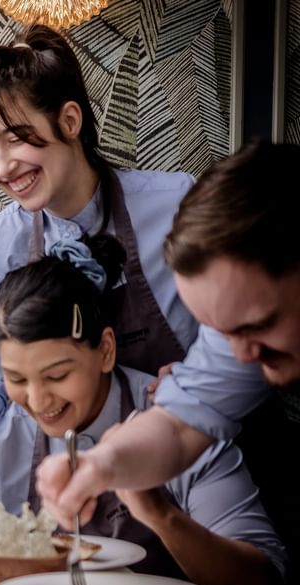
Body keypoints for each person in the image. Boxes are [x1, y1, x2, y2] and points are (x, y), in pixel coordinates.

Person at [0, 24, 201, 512]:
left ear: (70, 120)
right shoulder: (9, 235)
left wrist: (199, 375)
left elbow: (246, 332)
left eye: (16, 139)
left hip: (187, 464)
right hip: (65, 475)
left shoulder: (177, 207)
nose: (3, 166)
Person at [0, 232, 285, 585]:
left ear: (105, 350)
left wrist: (158, 512)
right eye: (17, 379)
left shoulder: (183, 417)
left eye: (57, 375)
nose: (39, 400)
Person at [36, 141, 300, 529]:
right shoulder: (241, 344)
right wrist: (101, 464)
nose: (241, 357)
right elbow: (177, 428)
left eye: (257, 326)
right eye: (222, 333)